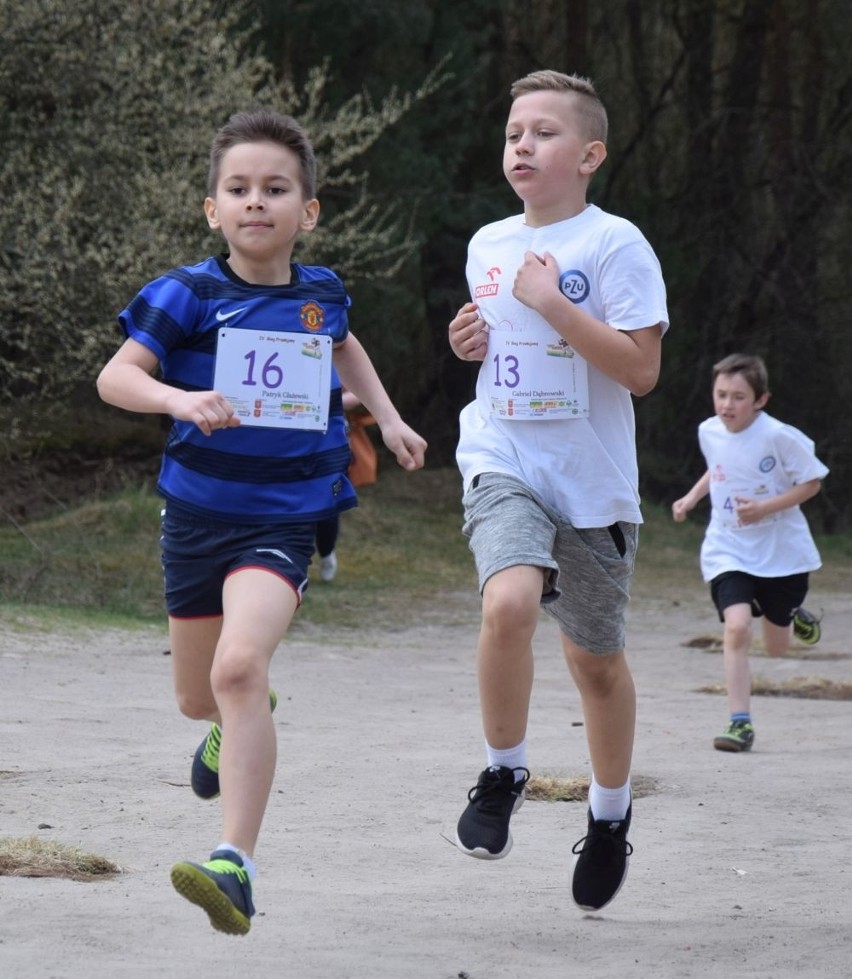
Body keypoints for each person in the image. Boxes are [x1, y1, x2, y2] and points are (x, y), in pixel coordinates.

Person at [96, 108, 426, 935]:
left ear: (306, 212)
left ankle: (233, 864)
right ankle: (225, 726)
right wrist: (177, 396)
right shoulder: (187, 293)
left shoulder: (321, 296)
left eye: (275, 189)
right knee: (195, 695)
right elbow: (116, 377)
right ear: (213, 209)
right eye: (238, 189)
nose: (256, 202)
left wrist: (385, 418)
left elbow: (345, 347)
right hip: (198, 516)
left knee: (237, 669)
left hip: (285, 518)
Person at [447, 70, 668, 912]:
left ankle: (609, 816)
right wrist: (468, 340)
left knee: (595, 662)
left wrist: (554, 305)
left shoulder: (616, 245)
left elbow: (642, 370)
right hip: (504, 456)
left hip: (592, 486)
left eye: (542, 132)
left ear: (589, 154)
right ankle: (504, 770)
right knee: (506, 604)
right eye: (513, 134)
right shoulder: (488, 243)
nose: (522, 146)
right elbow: (495, 344)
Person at [672, 353, 827, 752]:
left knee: (778, 648)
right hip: (729, 546)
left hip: (780, 551)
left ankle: (792, 614)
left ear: (760, 399)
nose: (727, 405)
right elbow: (719, 467)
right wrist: (690, 498)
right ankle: (739, 722)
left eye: (738, 397)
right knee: (737, 627)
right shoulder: (709, 431)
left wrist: (764, 508)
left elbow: (811, 483)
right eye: (721, 394)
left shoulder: (780, 437)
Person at [313, 388, 374, 582]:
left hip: (335, 454)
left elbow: (356, 394)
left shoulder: (332, 362)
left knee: (330, 507)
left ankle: (327, 552)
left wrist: (320, 399)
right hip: (293, 449)